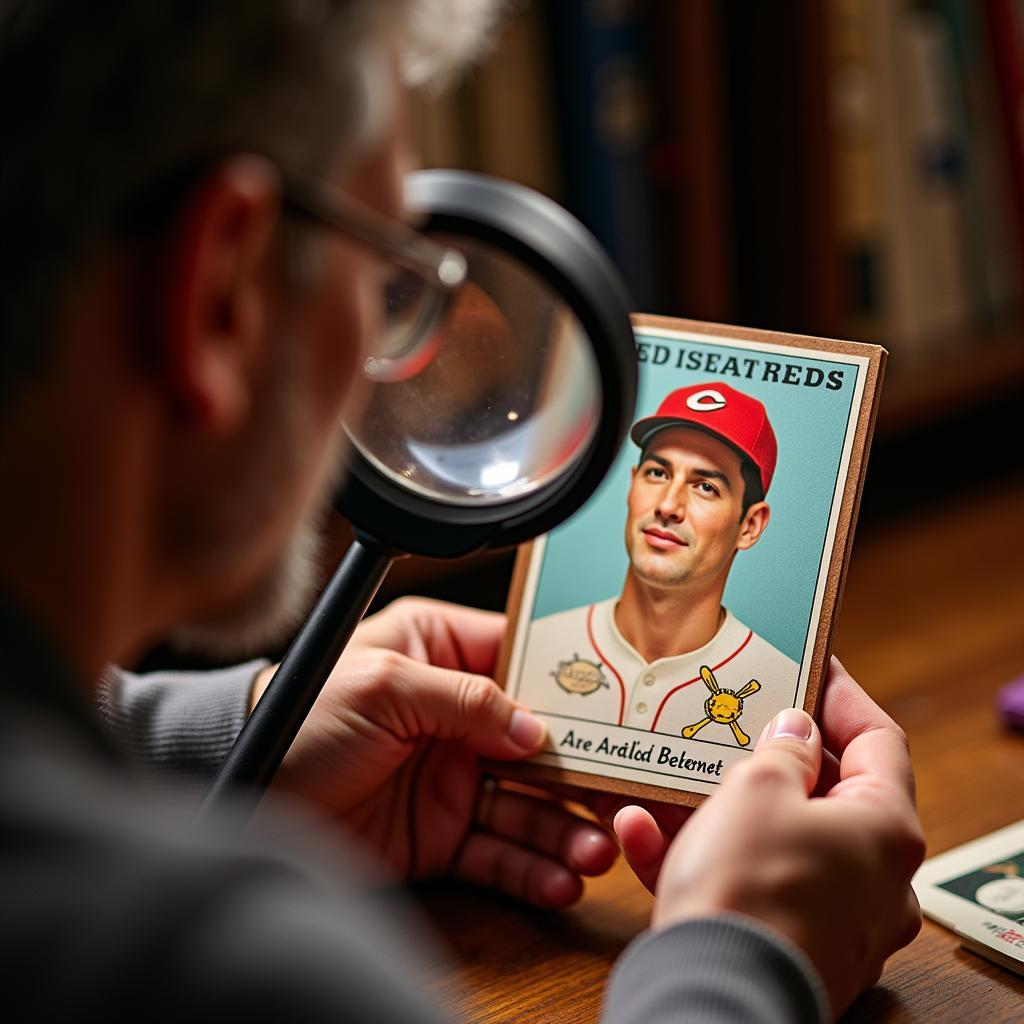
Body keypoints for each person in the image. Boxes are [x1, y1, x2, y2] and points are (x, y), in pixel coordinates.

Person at [0, 2, 924, 1022]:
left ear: (748, 524)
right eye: (394, 279)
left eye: (708, 483)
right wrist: (743, 961)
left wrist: (212, 741)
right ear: (221, 294)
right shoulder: (229, 969)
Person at [520, 382, 797, 742]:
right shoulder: (535, 646)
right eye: (658, 473)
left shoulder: (784, 696)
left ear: (749, 525)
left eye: (706, 487)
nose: (668, 505)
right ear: (632, 485)